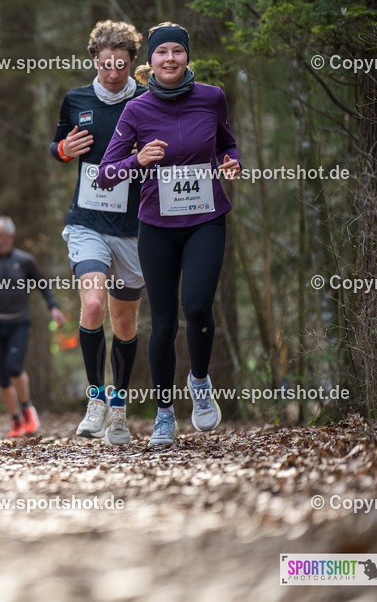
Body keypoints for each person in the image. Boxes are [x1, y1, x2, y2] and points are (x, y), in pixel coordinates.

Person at [97, 22, 241, 448]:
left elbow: (227, 145)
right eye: (162, 53)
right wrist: (137, 159)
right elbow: (106, 175)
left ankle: (199, 381)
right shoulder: (136, 110)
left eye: (178, 51)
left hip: (205, 219)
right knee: (161, 324)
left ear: (187, 57)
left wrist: (230, 161)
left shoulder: (212, 98)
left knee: (197, 308)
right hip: (157, 226)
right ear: (150, 62)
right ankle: (164, 415)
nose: (170, 59)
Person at [50, 21, 147, 445]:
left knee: (125, 323)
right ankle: (95, 397)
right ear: (94, 60)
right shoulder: (76, 100)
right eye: (105, 64)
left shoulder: (147, 101)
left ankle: (119, 408)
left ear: (131, 63)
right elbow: (57, 146)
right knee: (92, 304)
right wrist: (61, 150)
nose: (112, 72)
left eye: (121, 65)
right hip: (87, 221)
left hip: (133, 228)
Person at [0, 217, 66, 438]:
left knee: (14, 366)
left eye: (0, 236)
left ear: (11, 237)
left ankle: (27, 408)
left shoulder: (25, 261)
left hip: (19, 323)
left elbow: (43, 286)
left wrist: (54, 308)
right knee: (3, 378)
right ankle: (15, 421)